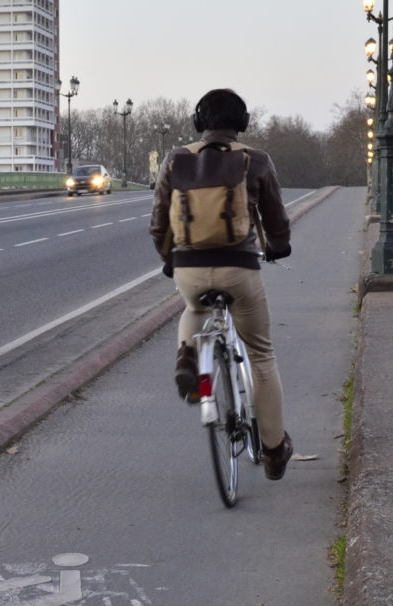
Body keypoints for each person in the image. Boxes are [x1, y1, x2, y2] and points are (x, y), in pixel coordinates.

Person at [148, 88, 295, 481]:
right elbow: (276, 221)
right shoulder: (256, 161)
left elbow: (159, 222)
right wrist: (280, 247)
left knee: (194, 307)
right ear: (242, 123)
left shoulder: (176, 159)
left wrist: (170, 259)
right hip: (240, 268)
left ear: (200, 122)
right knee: (261, 355)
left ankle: (187, 357)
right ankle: (275, 450)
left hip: (188, 269)